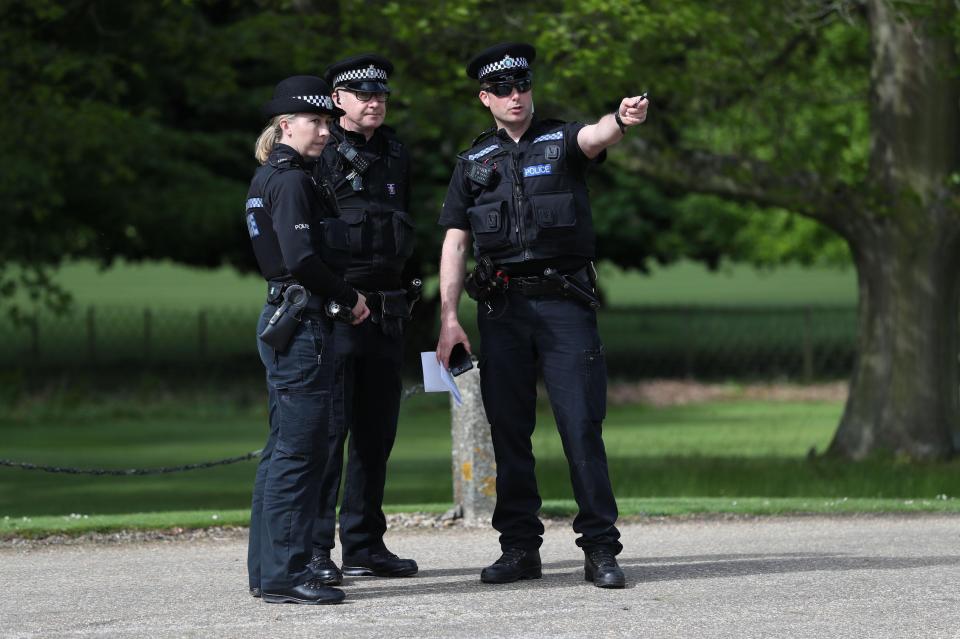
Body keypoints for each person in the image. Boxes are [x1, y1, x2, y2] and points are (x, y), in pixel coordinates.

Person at [435, 42, 647, 589]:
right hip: (502, 309)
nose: (515, 95)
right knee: (510, 432)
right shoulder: (472, 161)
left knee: (580, 427)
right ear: (486, 97)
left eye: (522, 84)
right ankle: (520, 548)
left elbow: (595, 135)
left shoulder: (561, 139)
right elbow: (456, 241)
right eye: (502, 89)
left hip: (564, 306)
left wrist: (620, 120)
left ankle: (600, 548)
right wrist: (449, 317)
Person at [244, 75, 370, 605]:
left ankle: (271, 567)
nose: (324, 131)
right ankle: (284, 573)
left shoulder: (270, 176)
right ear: (284, 125)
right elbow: (300, 261)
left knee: (282, 452)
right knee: (300, 453)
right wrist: (350, 295)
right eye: (314, 122)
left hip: (286, 317)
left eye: (325, 121)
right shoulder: (292, 180)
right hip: (302, 323)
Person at [307, 54, 418, 584]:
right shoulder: (320, 153)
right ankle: (314, 551)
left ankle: (365, 545)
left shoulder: (397, 153)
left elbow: (408, 230)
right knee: (330, 436)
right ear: (338, 100)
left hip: (388, 309)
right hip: (337, 311)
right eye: (362, 94)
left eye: (381, 94)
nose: (374, 101)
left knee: (376, 436)